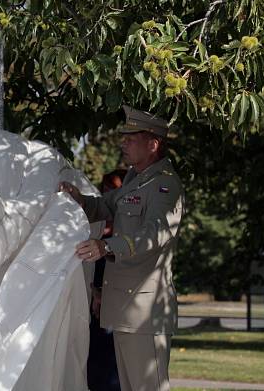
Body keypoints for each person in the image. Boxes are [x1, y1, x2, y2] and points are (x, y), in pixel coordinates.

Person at [60, 105, 185, 391]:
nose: (123, 142)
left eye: (130, 138)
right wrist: (80, 199)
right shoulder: (135, 179)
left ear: (152, 144)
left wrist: (106, 247)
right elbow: (105, 205)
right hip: (126, 308)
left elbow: (155, 234)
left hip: (145, 311)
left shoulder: (165, 186)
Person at [86, 169, 126, 391]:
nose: (109, 194)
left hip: (115, 307)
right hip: (94, 310)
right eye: (106, 190)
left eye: (114, 190)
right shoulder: (96, 229)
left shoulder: (125, 234)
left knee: (112, 371)